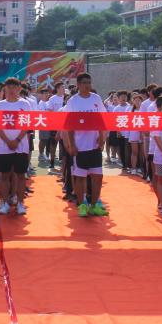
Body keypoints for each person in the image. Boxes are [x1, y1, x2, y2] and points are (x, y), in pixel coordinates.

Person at [62, 73, 107, 217]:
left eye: (89, 82)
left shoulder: (96, 98)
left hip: (94, 146)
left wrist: (102, 138)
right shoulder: (73, 101)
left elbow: (102, 119)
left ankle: (94, 205)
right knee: (80, 177)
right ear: (78, 85)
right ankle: (82, 205)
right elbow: (69, 124)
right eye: (84, 83)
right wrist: (72, 145)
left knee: (97, 176)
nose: (87, 85)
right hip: (80, 146)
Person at [0, 78, 32, 215]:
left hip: (21, 146)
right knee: (4, 175)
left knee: (20, 176)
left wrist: (17, 140)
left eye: (14, 87)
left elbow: (27, 125)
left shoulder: (25, 104)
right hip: (4, 146)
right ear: (5, 89)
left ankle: (20, 203)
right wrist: (8, 141)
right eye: (9, 87)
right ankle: (4, 203)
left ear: (19, 88)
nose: (12, 90)